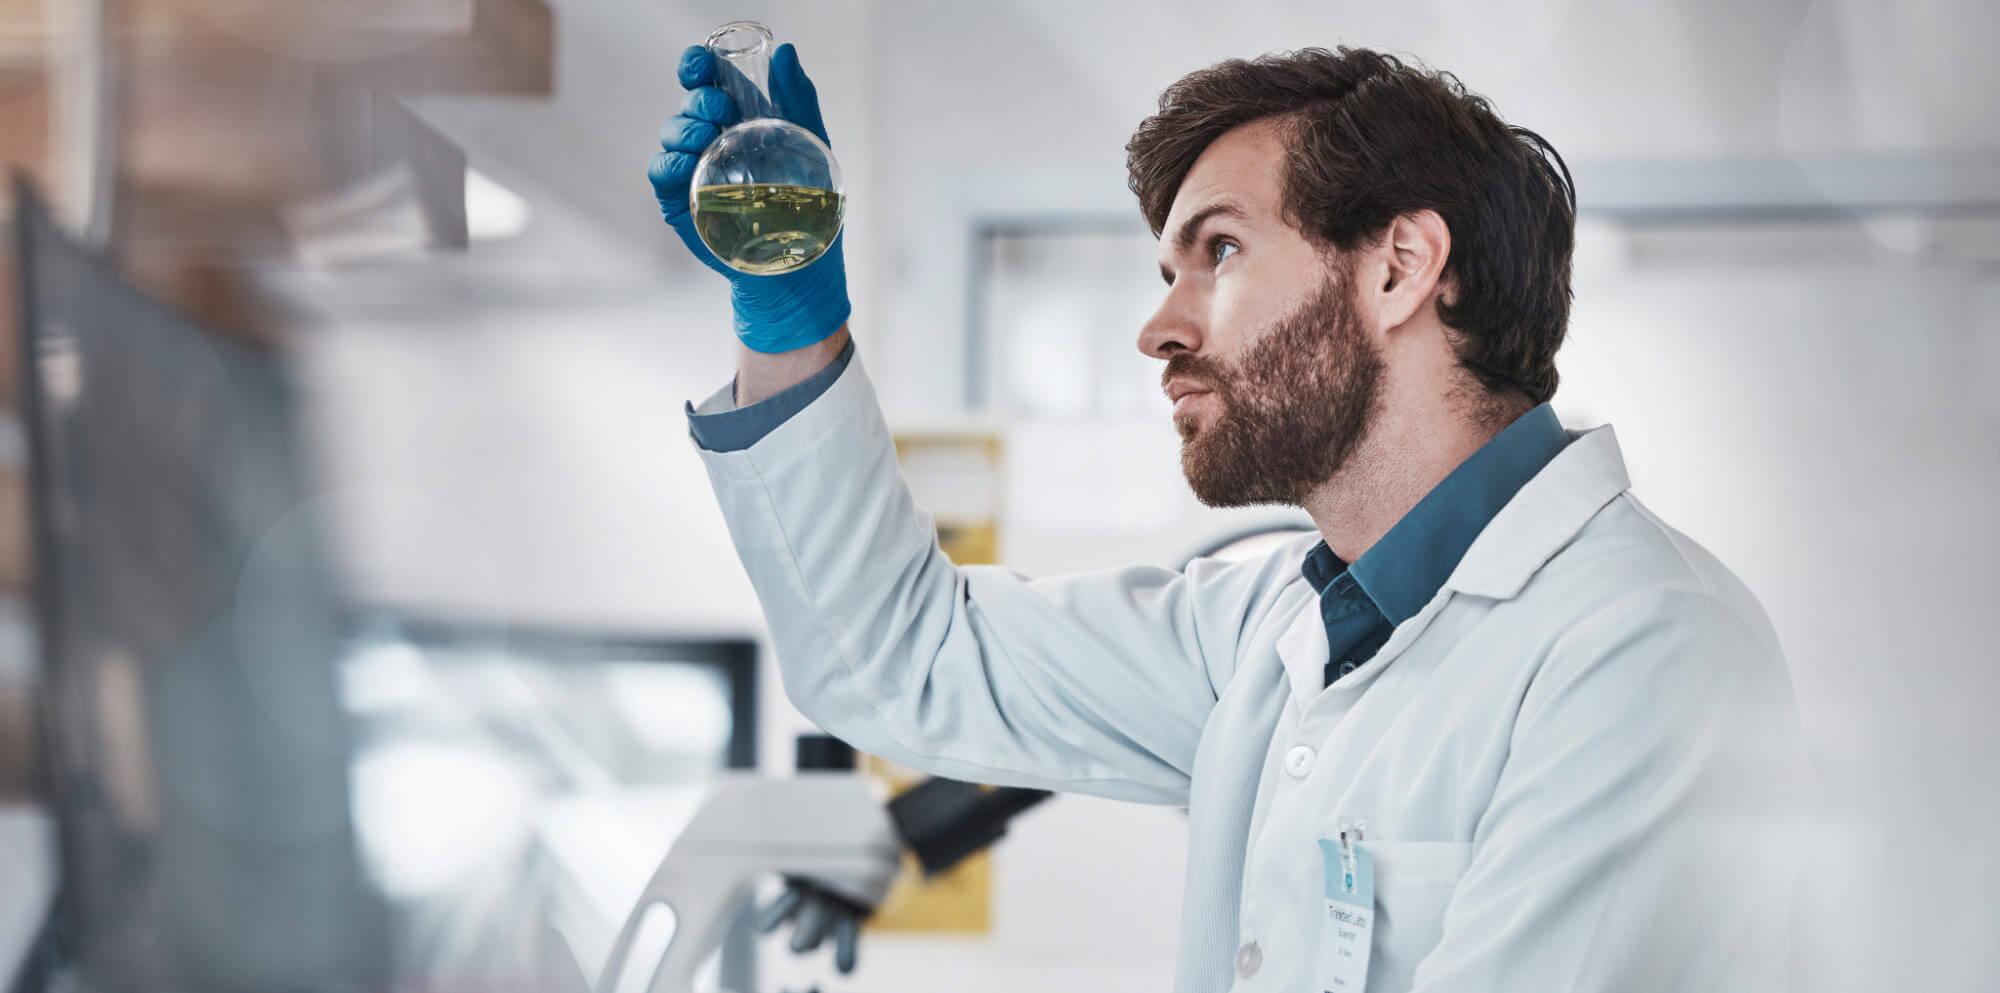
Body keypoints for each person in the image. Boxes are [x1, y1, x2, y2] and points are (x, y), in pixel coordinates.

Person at [649, 42, 1804, 993]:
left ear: (1399, 267)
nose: (1158, 327)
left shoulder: (1641, 647)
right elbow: (902, 659)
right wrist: (785, 319)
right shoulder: (1266, 631)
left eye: (1218, 251)